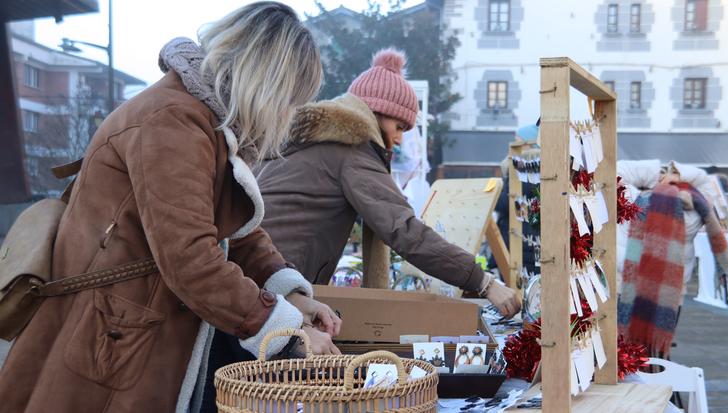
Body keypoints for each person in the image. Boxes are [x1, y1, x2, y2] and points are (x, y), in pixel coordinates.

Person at [0, 3, 341, 413]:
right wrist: (284, 331)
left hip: (123, 336)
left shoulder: (200, 120)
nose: (288, 114)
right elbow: (190, 257)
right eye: (291, 99)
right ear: (267, 83)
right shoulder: (174, 121)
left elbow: (237, 232)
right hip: (109, 345)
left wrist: (293, 298)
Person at [255, 48, 521, 316]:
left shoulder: (319, 142)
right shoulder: (352, 146)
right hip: (273, 291)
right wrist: (484, 282)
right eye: (400, 126)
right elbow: (403, 230)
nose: (400, 139)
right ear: (379, 111)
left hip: (257, 280)